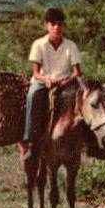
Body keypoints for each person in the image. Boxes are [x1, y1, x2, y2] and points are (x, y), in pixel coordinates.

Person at [19, 8, 82, 161]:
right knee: (32, 95)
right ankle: (29, 140)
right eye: (53, 24)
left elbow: (77, 72)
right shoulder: (39, 44)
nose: (56, 27)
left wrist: (65, 81)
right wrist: (46, 79)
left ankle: (89, 142)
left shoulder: (71, 46)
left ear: (64, 26)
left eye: (60, 24)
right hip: (43, 81)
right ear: (47, 26)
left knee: (85, 100)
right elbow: (35, 73)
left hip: (66, 82)